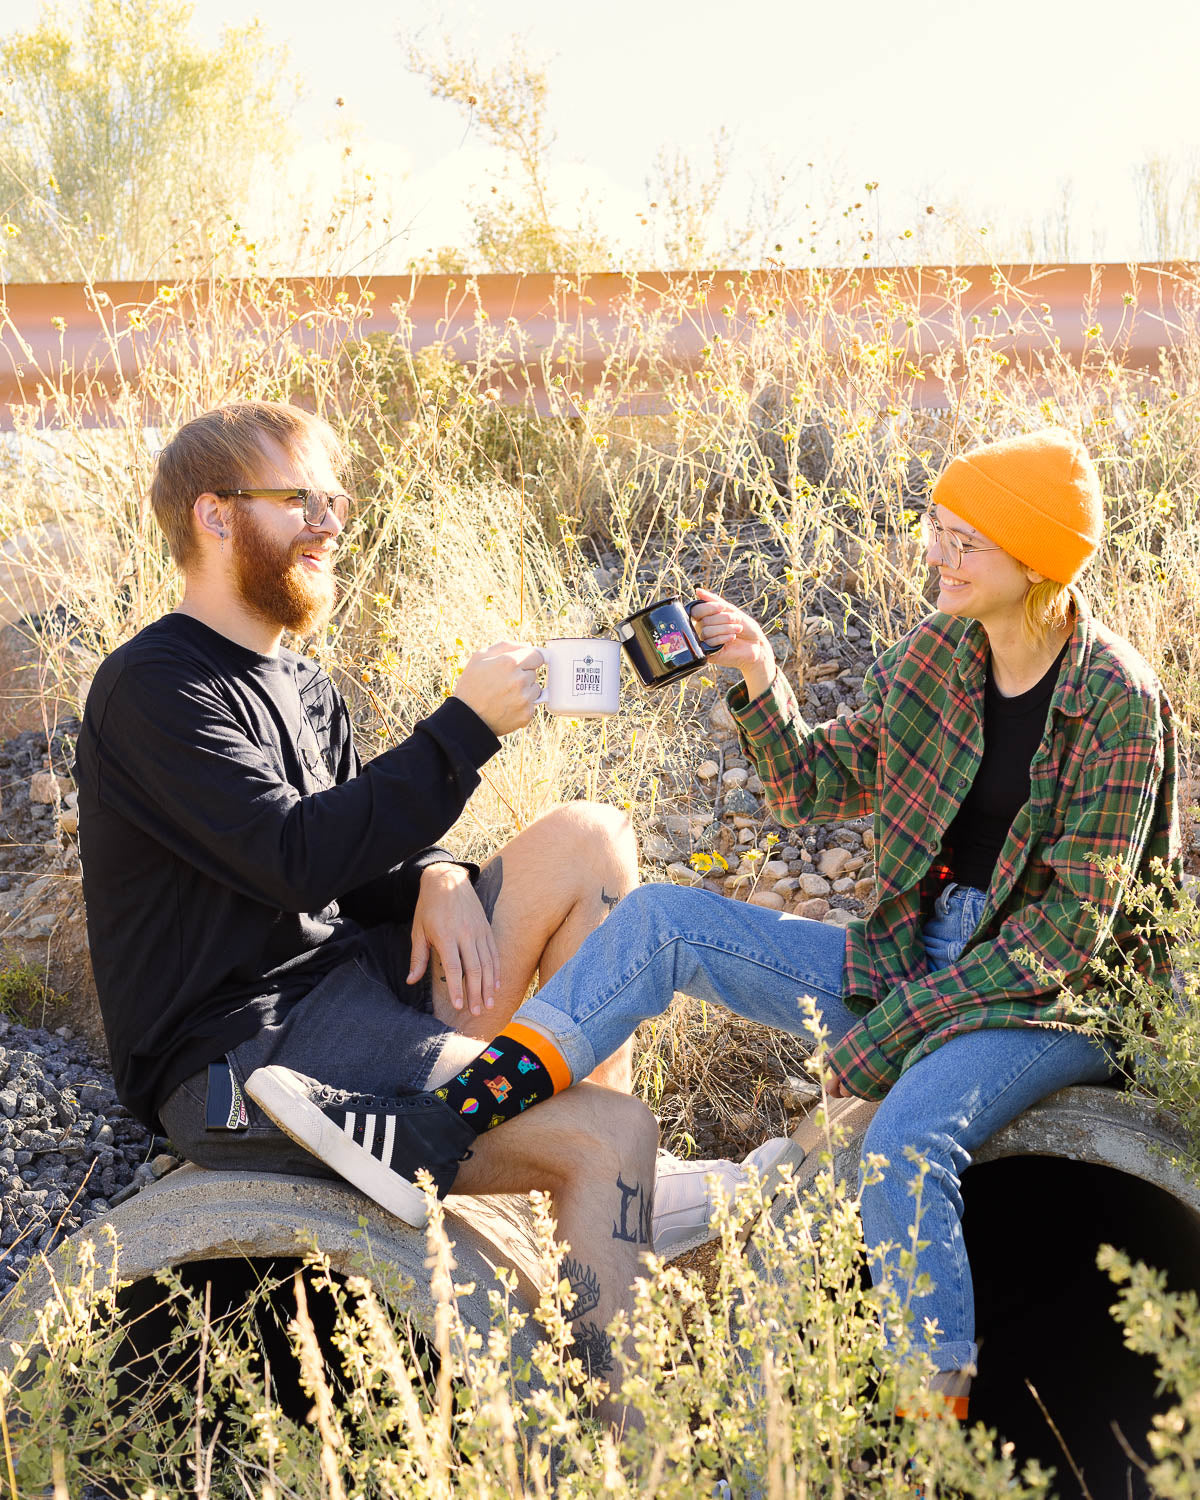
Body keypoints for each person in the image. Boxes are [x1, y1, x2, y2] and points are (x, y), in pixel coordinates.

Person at [254, 426, 1177, 1419]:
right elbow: (815, 781)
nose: (937, 555)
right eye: (937, 530)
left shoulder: (1112, 697)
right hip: (910, 960)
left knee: (905, 1141)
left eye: (968, 542)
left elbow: (1066, 938)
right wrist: (757, 679)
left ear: (1036, 562)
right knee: (660, 922)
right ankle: (448, 1123)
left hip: (1043, 1001)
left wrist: (898, 1035)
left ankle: (934, 1426)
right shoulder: (936, 657)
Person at [74, 399, 793, 1422]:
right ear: (216, 517)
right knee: (607, 1135)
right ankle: (607, 1451)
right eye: (301, 500)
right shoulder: (153, 687)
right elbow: (287, 856)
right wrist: (462, 729)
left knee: (588, 837)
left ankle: (602, 1196)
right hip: (245, 1057)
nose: (330, 524)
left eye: (337, 500)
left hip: (356, 996)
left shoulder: (304, 686)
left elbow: (354, 857)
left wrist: (440, 873)